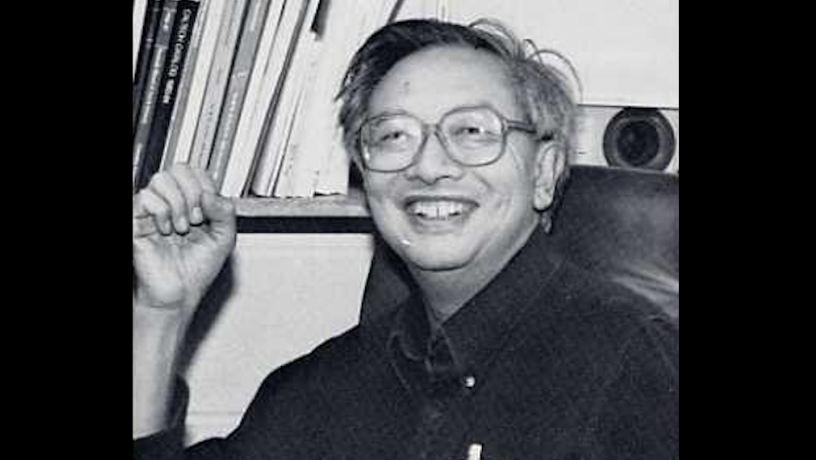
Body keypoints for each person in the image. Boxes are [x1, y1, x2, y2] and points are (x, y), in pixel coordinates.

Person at [133, 18, 678, 460]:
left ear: (544, 172)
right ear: (365, 177)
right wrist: (161, 312)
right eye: (393, 136)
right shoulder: (326, 385)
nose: (429, 164)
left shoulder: (632, 361)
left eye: (471, 130)